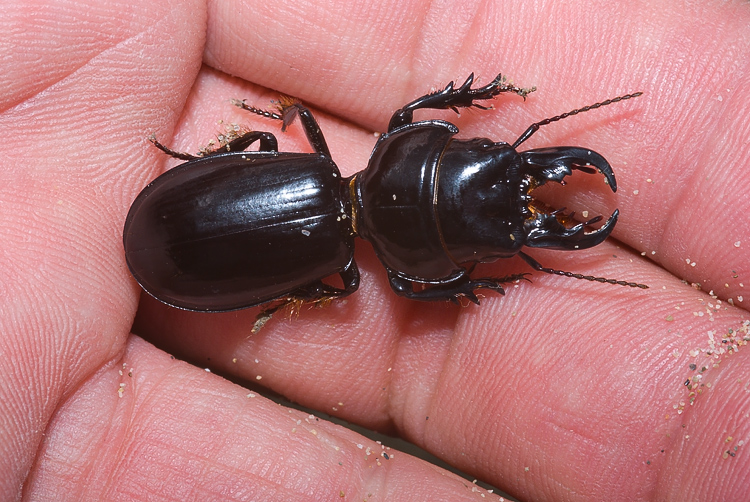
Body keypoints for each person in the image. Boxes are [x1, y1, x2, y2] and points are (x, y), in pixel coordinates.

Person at [2, 0, 748, 500]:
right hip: (196, 234)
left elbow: (324, 127)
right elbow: (417, 266)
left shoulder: (342, 173)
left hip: (198, 225)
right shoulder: (364, 260)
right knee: (335, 262)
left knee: (280, 151)